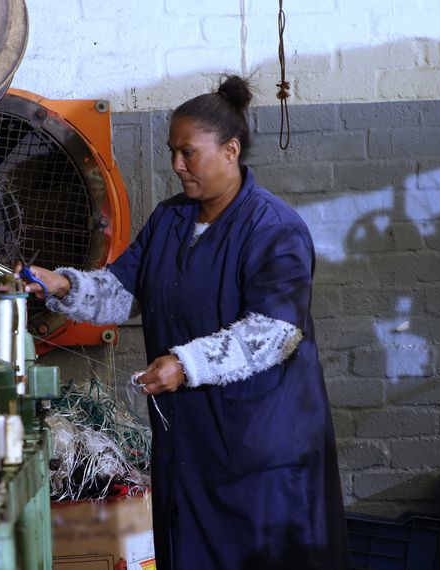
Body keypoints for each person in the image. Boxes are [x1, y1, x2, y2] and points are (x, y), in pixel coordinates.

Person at [20, 75, 349, 569]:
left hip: (261, 449)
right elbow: (121, 293)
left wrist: (184, 364)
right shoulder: (170, 220)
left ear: (230, 150)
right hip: (190, 444)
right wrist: (63, 285)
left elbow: (274, 334)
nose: (176, 165)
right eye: (173, 151)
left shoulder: (274, 228)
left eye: (188, 153)